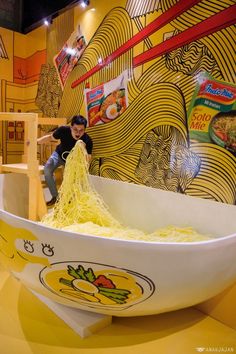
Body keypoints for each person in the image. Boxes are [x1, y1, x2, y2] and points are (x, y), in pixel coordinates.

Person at [37, 115, 93, 206]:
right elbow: (50, 137)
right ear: (71, 127)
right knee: (47, 169)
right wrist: (36, 141)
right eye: (75, 129)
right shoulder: (63, 130)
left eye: (81, 130)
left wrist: (84, 150)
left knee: (71, 179)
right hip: (58, 155)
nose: (78, 133)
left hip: (72, 162)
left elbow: (87, 160)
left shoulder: (87, 140)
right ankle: (55, 197)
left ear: (85, 130)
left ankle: (67, 199)